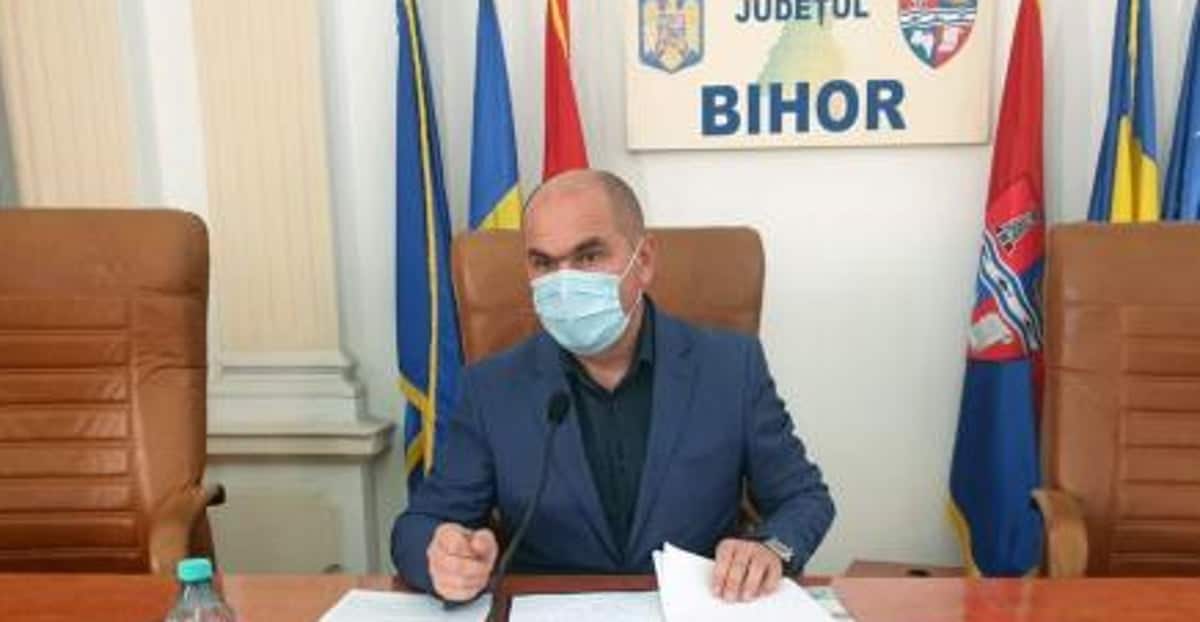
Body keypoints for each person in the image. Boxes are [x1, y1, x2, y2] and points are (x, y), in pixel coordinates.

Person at [392, 169, 834, 603]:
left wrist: (771, 549)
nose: (565, 282)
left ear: (644, 260)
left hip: (695, 606)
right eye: (543, 263)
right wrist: (443, 557)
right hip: (551, 611)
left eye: (588, 256)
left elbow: (803, 497)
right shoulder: (492, 387)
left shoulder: (730, 367)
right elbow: (419, 525)